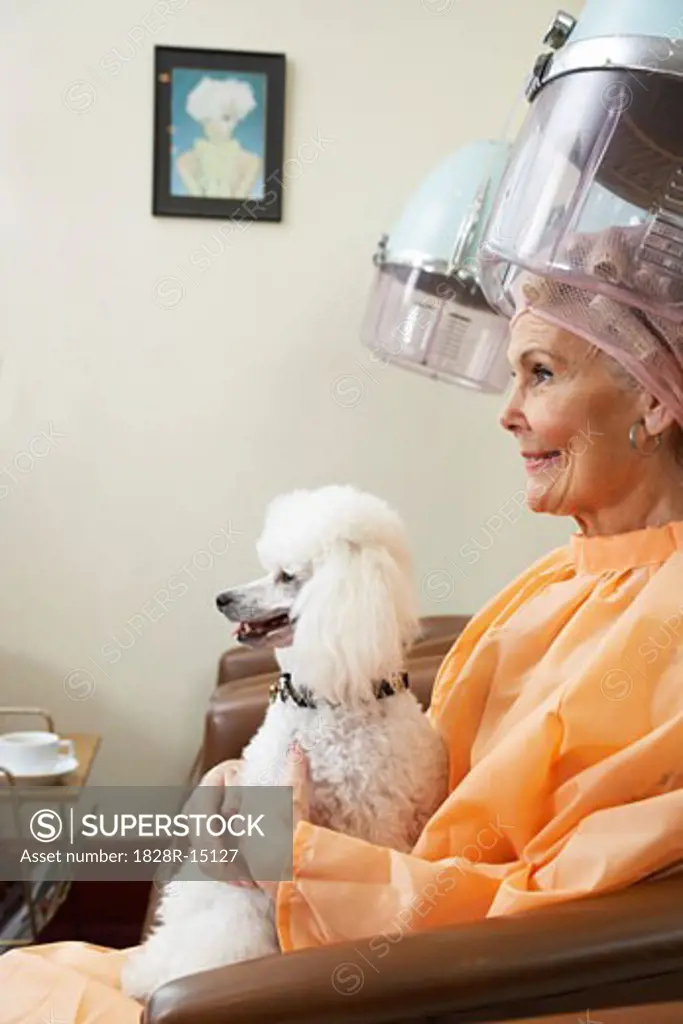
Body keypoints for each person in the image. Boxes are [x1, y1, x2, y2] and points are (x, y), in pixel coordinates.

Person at [3, 273, 683, 1019]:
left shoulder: (664, 627)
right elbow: (430, 795)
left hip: (427, 979)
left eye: (540, 373)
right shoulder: (556, 580)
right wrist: (245, 797)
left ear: (652, 400)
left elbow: (553, 915)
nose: (506, 414)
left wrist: (296, 858)